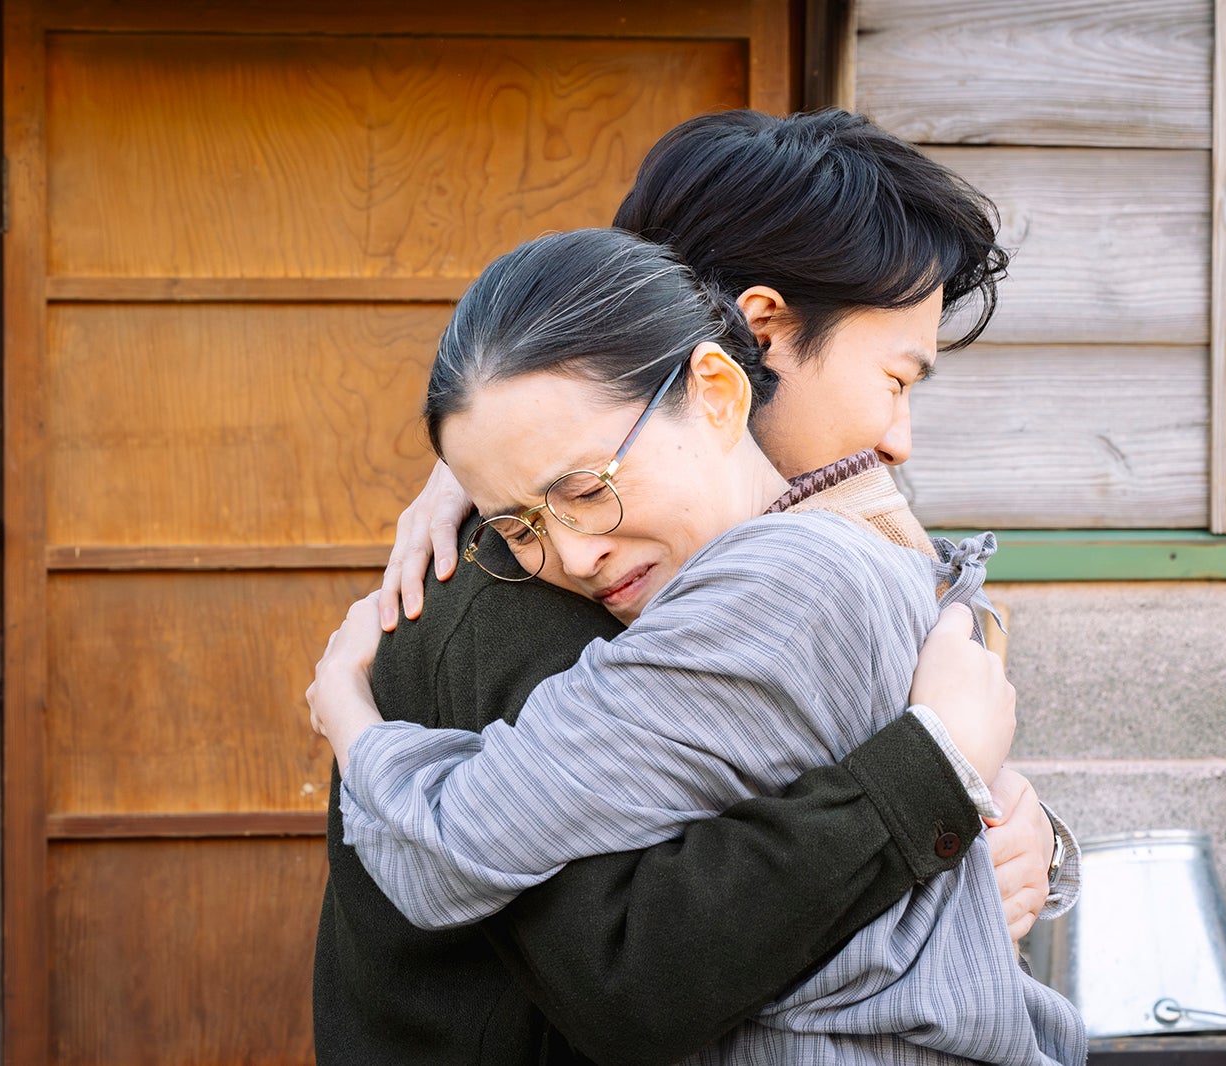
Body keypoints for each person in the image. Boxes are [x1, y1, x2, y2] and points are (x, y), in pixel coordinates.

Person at [313, 109, 1079, 1065]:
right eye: (896, 378)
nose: (897, 440)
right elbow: (633, 978)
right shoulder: (552, 587)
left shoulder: (754, 548)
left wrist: (1020, 828)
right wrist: (929, 780)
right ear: (756, 338)